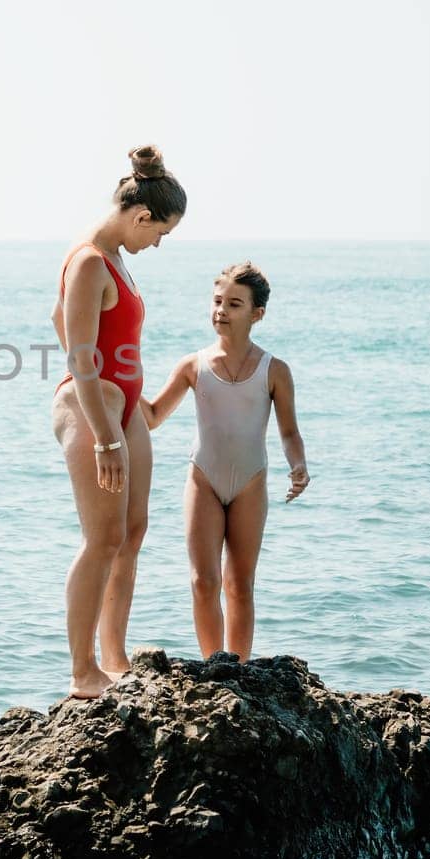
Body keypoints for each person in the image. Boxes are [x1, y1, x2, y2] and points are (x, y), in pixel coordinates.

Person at [51, 145, 186, 699]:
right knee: (101, 537)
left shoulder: (116, 259)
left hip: (123, 406)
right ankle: (83, 671)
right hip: (93, 409)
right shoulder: (88, 260)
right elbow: (79, 355)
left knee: (131, 533)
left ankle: (114, 656)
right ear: (140, 216)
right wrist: (105, 435)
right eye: (160, 233)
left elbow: (56, 318)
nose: (157, 244)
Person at [141, 262, 310, 662]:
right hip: (204, 479)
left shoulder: (275, 371)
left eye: (234, 304)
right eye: (217, 301)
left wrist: (298, 465)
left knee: (239, 585)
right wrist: (115, 386)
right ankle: (213, 666)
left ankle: (241, 668)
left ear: (257, 314)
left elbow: (288, 432)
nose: (221, 310)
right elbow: (151, 417)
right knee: (203, 581)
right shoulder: (192, 366)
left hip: (251, 482)